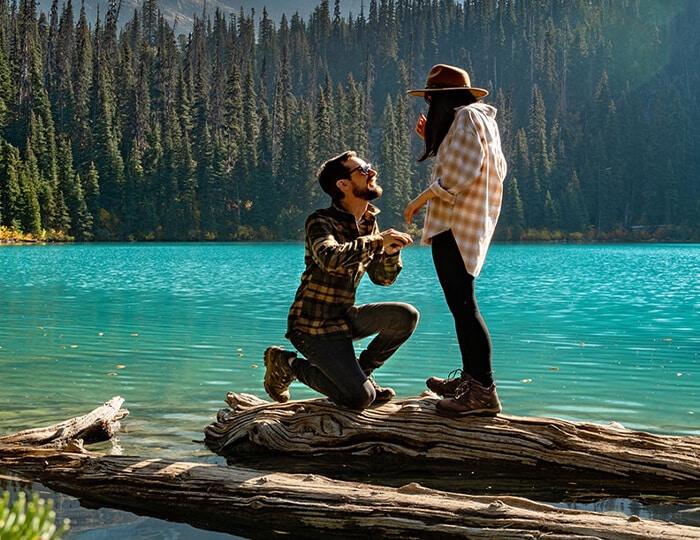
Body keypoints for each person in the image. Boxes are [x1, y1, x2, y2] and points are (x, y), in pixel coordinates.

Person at [263, 151, 419, 410]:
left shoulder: (369, 223)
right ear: (343, 185)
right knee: (359, 399)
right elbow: (329, 258)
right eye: (363, 170)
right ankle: (286, 363)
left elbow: (382, 279)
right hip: (312, 326)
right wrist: (377, 241)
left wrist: (391, 254)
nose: (372, 173)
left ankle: (361, 375)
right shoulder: (320, 220)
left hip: (344, 319)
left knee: (405, 316)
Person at [404, 64, 507, 417]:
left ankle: (482, 391)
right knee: (464, 306)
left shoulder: (465, 119)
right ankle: (472, 380)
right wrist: (432, 140)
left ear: (442, 100)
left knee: (464, 308)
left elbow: (457, 177)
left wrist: (418, 200)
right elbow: (469, 164)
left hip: (454, 226)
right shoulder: (482, 120)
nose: (429, 107)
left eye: (431, 100)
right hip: (471, 224)